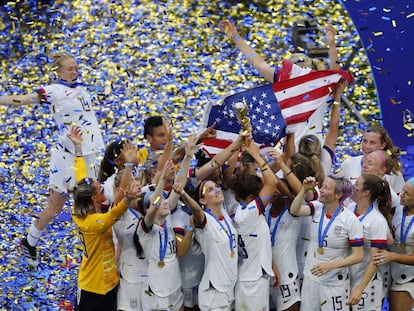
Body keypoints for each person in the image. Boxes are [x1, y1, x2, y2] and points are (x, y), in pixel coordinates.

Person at [0, 51, 105, 267]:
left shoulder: (82, 90)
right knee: (56, 206)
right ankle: (30, 241)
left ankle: (95, 250)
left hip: (88, 155)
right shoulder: (54, 91)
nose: (75, 72)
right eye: (70, 69)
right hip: (68, 156)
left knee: (93, 202)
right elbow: (24, 99)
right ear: (58, 71)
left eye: (76, 68)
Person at [218, 20, 342, 145]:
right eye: (293, 68)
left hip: (312, 150)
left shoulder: (320, 87)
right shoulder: (286, 84)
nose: (296, 71)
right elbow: (257, 62)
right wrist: (235, 37)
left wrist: (332, 45)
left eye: (300, 66)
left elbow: (337, 75)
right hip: (290, 151)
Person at [68, 126, 139, 311]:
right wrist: (129, 198)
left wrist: (78, 148)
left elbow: (81, 174)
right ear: (93, 197)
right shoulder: (93, 223)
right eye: (100, 190)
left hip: (108, 282)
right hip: (94, 289)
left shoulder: (83, 204)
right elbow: (115, 212)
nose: (103, 190)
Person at [290, 175, 364, 311]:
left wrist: (331, 265)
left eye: (326, 188)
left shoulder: (350, 220)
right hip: (311, 279)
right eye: (322, 186)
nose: (321, 190)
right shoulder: (317, 208)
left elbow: (358, 256)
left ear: (338, 194)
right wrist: (304, 190)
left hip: (334, 283)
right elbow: (294, 210)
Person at [173, 178, 238, 310]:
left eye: (216, 187)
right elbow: (197, 211)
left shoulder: (224, 215)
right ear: (203, 200)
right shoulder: (205, 221)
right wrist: (183, 194)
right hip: (213, 292)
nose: (217, 190)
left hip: (229, 287)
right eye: (210, 189)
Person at [137, 159, 184, 311]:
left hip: (174, 284)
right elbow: (155, 204)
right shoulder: (145, 228)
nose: (165, 202)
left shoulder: (167, 217)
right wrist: (162, 179)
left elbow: (179, 186)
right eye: (160, 202)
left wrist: (188, 157)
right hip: (156, 289)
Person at [347, 174, 392, 310]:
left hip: (365, 282)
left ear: (366, 193)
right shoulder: (348, 209)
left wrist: (360, 288)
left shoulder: (377, 221)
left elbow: (375, 260)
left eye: (357, 185)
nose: (352, 187)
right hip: (346, 278)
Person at [373, 177, 414, 311]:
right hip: (392, 271)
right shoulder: (398, 208)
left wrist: (391, 256)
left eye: (408, 194)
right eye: (403, 190)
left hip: (408, 277)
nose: (401, 194)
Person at [338, 124, 405, 193]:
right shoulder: (348, 164)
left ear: (383, 145)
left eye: (372, 143)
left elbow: (400, 202)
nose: (367, 146)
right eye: (365, 141)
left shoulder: (393, 174)